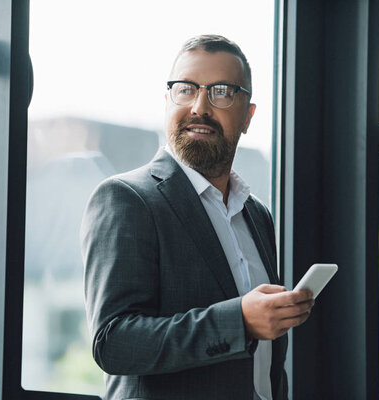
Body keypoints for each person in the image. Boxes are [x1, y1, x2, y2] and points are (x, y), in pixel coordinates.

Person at [80, 35, 314, 400]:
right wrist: (239, 321)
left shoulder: (257, 214)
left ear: (248, 115)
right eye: (186, 89)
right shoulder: (126, 199)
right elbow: (113, 343)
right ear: (168, 100)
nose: (199, 107)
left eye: (221, 91)